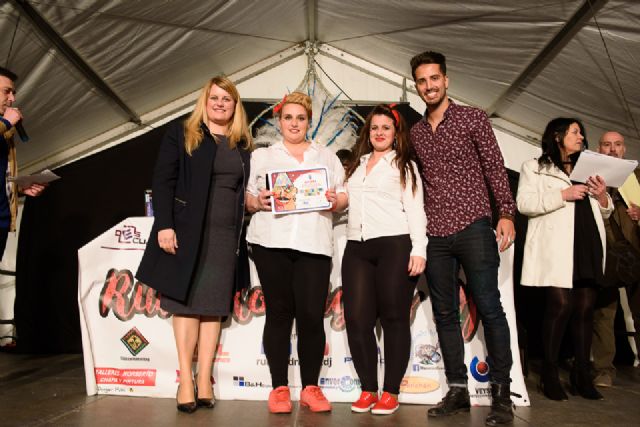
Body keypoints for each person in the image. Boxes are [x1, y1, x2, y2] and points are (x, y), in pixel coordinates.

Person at [409, 51, 516, 426]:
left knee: (489, 306)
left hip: (473, 224)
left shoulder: (473, 117)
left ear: (446, 79)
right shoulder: (416, 133)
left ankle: (503, 394)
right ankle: (457, 388)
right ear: (416, 85)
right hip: (435, 232)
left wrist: (505, 212)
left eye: (434, 78)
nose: (429, 86)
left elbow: (494, 166)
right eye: (422, 81)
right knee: (444, 314)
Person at [136, 76, 253, 413]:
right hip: (187, 232)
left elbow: (242, 190)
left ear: (235, 105)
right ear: (205, 100)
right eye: (214, 97)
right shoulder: (182, 132)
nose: (220, 103)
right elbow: (163, 180)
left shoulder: (241, 143)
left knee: (213, 307)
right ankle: (185, 380)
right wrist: (165, 225)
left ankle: (205, 381)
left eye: (226, 99)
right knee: (185, 305)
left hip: (225, 237)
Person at [245, 91, 347, 414]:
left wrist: (336, 200)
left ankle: (310, 388)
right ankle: (278, 389)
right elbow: (247, 196)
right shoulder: (262, 157)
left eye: (300, 118)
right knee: (278, 314)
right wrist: (256, 201)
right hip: (270, 243)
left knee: (310, 317)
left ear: (309, 121)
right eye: (288, 117)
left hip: (314, 245)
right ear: (279, 121)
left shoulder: (327, 156)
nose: (294, 123)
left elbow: (343, 195)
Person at [517, 118, 612, 401]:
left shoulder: (588, 169)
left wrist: (603, 197)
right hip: (557, 246)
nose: (581, 136)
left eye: (581, 132)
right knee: (559, 305)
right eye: (574, 132)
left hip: (587, 241)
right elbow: (524, 204)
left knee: (585, 309)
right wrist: (563, 193)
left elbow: (603, 212)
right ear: (557, 136)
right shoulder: (534, 166)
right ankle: (549, 372)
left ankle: (582, 373)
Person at [342, 104, 427, 415]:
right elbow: (344, 202)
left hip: (395, 244)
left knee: (393, 318)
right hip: (357, 246)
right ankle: (368, 389)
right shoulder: (356, 165)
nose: (379, 132)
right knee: (356, 320)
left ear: (396, 133)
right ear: (368, 132)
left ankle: (390, 391)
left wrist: (419, 249)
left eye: (385, 128)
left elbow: (416, 210)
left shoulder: (404, 166)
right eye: (374, 127)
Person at [592, 131, 640, 387]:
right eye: (607, 145)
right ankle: (603, 369)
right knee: (604, 313)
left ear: (625, 148)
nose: (612, 149)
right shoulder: (590, 176)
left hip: (636, 252)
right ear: (599, 148)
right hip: (605, 253)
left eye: (617, 145)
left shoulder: (637, 176)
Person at [0, 67, 47, 260]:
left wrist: (19, 188)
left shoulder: (5, 133)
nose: (12, 99)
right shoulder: (4, 126)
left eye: (13, 93)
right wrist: (6, 123)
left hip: (1, 221)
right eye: (6, 91)